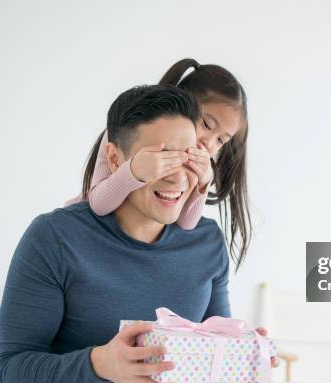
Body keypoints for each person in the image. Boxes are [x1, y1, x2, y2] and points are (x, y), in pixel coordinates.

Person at [0, 84, 323, 383]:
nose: (177, 178)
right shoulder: (55, 237)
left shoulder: (205, 242)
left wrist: (239, 364)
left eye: (188, 159)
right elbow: (12, 375)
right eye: (162, 158)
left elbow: (209, 358)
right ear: (114, 158)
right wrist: (99, 364)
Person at [67, 59, 251, 272]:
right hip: (90, 235)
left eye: (221, 140)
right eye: (206, 125)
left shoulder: (198, 159)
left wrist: (203, 184)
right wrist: (134, 171)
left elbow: (185, 223)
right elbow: (98, 204)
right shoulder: (125, 130)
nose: (208, 144)